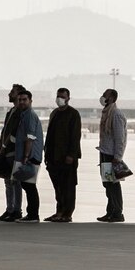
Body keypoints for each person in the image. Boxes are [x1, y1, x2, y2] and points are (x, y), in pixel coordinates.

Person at [0, 87, 43, 221]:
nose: (21, 102)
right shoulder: (22, 114)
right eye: (20, 100)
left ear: (30, 101)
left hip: (30, 157)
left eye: (24, 100)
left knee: (29, 186)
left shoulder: (29, 115)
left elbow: (30, 138)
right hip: (24, 156)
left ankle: (33, 215)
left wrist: (26, 157)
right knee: (26, 185)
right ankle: (30, 214)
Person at [44, 87, 83, 222]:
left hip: (67, 158)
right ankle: (59, 211)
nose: (60, 98)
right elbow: (49, 135)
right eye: (58, 96)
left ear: (68, 98)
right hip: (53, 157)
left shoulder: (73, 114)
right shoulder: (54, 113)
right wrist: (46, 154)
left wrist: (71, 155)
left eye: (63, 96)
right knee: (58, 187)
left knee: (68, 187)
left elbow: (75, 136)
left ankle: (67, 213)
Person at [95, 88, 129, 222]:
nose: (103, 98)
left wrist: (118, 157)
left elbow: (120, 138)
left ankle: (117, 213)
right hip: (104, 152)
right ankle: (110, 211)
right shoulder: (106, 113)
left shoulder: (116, 114)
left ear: (113, 98)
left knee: (113, 185)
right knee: (107, 184)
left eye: (105, 96)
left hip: (112, 156)